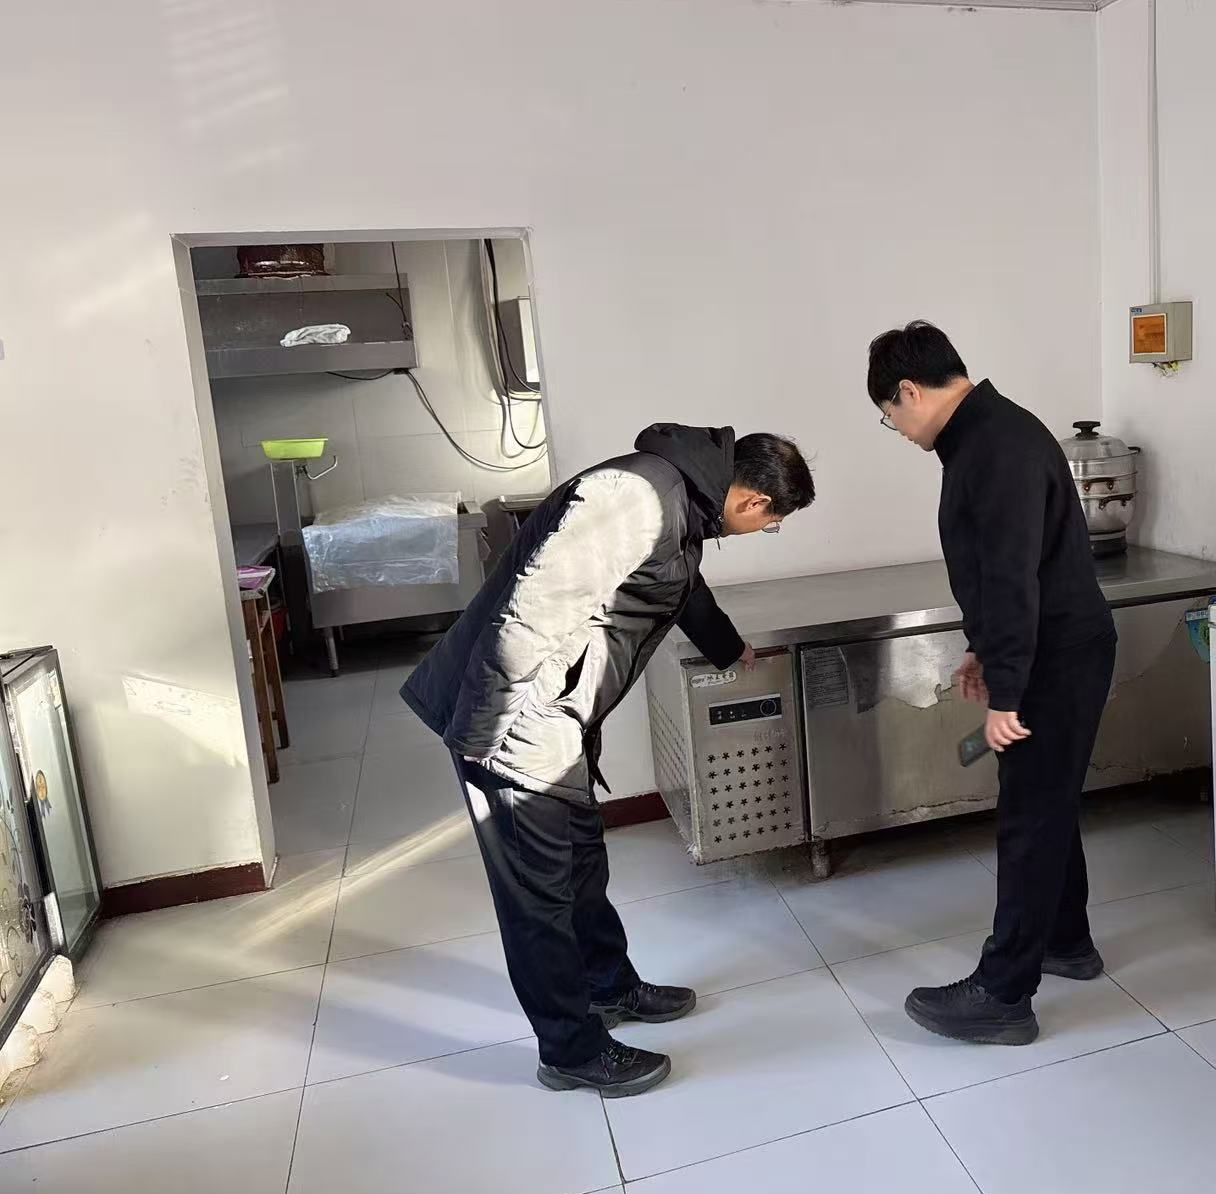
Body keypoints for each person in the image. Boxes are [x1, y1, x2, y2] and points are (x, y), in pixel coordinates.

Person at [401, 424, 815, 1097]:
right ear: (754, 502)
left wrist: (726, 646)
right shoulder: (635, 496)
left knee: (581, 862)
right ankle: (570, 1049)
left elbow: (680, 585)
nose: (762, 531)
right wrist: (484, 732)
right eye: (771, 524)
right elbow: (529, 613)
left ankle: (607, 985)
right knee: (537, 894)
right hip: (513, 724)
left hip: (554, 719)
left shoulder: (680, 503)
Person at [867, 321, 1117, 1045]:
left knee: (1029, 816)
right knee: (1047, 802)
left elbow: (1011, 578)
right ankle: (1065, 940)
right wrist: (986, 652)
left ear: (909, 391)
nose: (896, 429)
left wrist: (1007, 693)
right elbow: (1005, 569)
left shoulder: (994, 446)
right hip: (1051, 648)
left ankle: (1003, 994)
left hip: (1055, 658)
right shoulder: (986, 434)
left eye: (889, 415)